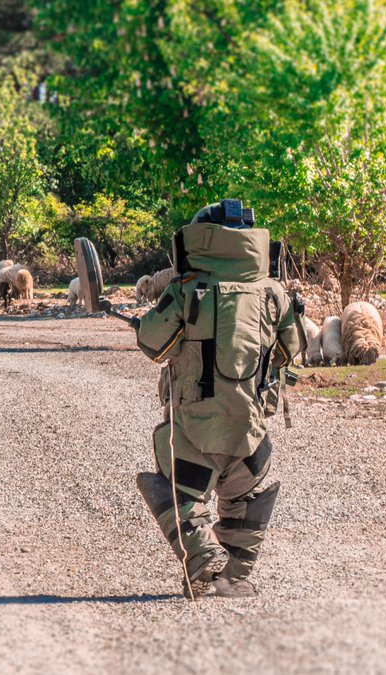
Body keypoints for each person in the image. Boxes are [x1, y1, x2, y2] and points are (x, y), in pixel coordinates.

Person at [133, 199, 302, 598]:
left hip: (195, 426)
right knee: (247, 497)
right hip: (251, 425)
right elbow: (289, 350)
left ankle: (201, 555)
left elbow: (153, 344)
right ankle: (235, 575)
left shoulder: (186, 289)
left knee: (180, 493)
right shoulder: (274, 292)